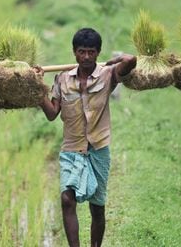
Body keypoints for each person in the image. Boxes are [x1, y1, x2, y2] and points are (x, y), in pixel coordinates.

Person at [38, 27, 136, 247]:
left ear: (98, 52)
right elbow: (52, 114)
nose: (86, 57)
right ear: (74, 52)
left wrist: (115, 60)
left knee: (97, 207)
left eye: (91, 52)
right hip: (71, 149)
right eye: (82, 52)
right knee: (66, 199)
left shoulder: (108, 75)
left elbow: (131, 60)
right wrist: (36, 88)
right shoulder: (62, 79)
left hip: (98, 149)